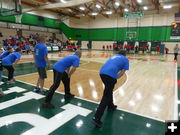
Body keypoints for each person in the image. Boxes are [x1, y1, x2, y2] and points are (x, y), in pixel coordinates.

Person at [92, 50, 129, 127]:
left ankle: (111, 106)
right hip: (110, 75)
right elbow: (122, 72)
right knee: (106, 95)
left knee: (109, 91)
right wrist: (116, 78)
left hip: (102, 73)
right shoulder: (125, 59)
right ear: (125, 54)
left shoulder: (114, 56)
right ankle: (96, 117)